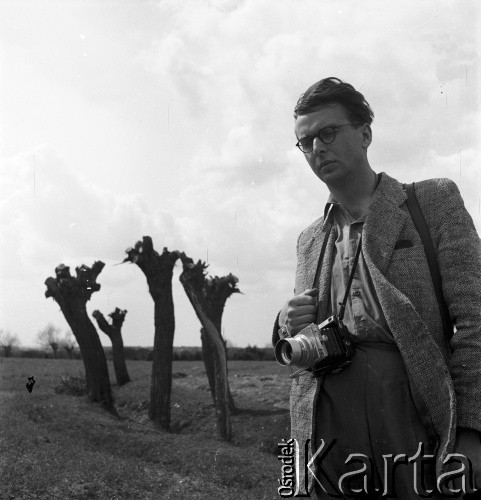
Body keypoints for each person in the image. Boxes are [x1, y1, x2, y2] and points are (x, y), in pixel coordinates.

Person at [273, 77, 481, 498]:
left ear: (365, 133)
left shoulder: (432, 202)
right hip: (324, 426)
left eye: (328, 132)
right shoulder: (309, 239)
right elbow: (300, 340)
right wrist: (284, 322)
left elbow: (477, 320)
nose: (317, 148)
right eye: (306, 141)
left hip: (414, 416)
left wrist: (473, 431)